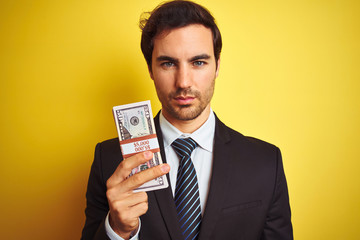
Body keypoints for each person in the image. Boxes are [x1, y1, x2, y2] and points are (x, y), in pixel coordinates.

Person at [81, 1, 293, 239]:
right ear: (150, 69)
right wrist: (117, 230)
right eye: (168, 63)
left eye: (198, 62)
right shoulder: (109, 160)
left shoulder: (266, 163)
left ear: (217, 66)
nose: (183, 82)